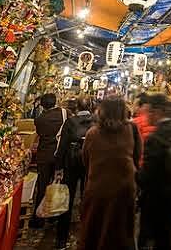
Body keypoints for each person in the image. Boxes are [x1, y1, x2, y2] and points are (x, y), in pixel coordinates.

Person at [78, 97, 141, 250]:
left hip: (98, 187)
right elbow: (137, 156)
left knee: (95, 228)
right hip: (124, 188)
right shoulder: (131, 130)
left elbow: (85, 159)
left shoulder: (93, 133)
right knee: (121, 230)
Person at [138, 94, 171, 250]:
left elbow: (147, 176)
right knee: (167, 240)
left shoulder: (155, 138)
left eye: (149, 112)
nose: (147, 115)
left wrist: (135, 175)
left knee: (150, 240)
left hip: (155, 202)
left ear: (157, 112)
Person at [53, 97, 94, 249]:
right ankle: (86, 235)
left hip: (71, 162)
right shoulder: (96, 121)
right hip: (89, 162)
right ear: (91, 106)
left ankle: (61, 239)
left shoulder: (70, 122)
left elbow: (62, 145)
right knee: (87, 197)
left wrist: (58, 167)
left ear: (77, 107)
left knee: (66, 198)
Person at [30, 93, 66, 228]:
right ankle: (53, 215)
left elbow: (39, 134)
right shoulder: (64, 114)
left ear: (42, 105)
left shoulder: (39, 120)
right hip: (58, 155)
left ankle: (38, 219)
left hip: (44, 156)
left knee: (42, 186)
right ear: (55, 102)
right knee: (56, 185)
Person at [133, 93, 156, 165]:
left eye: (134, 105)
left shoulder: (134, 123)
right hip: (153, 164)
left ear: (141, 106)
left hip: (138, 163)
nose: (133, 107)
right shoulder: (156, 120)